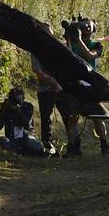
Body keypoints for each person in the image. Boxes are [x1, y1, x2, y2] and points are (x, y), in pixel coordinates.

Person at [64, 18, 109, 154]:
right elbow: (67, 56)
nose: (87, 28)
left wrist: (79, 41)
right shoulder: (73, 43)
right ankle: (73, 146)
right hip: (75, 84)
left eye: (89, 26)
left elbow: (90, 56)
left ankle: (104, 143)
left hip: (91, 85)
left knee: (97, 117)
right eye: (84, 26)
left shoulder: (97, 44)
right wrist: (68, 40)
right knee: (72, 117)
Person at [32, 22, 62, 156]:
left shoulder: (58, 48)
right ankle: (47, 145)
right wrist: (52, 81)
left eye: (49, 33)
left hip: (61, 87)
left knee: (69, 115)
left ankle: (74, 144)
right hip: (45, 88)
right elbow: (38, 71)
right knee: (46, 118)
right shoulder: (36, 50)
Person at [0, 87, 45, 156]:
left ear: (23, 98)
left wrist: (18, 110)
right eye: (14, 99)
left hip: (26, 138)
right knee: (1, 140)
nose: (16, 102)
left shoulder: (28, 106)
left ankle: (19, 151)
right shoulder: (7, 107)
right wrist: (4, 110)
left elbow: (27, 126)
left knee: (36, 146)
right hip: (12, 140)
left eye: (18, 99)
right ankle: (22, 151)